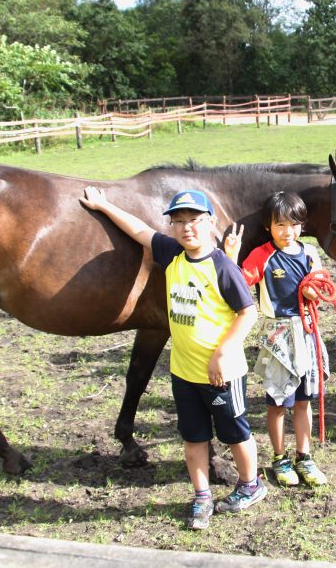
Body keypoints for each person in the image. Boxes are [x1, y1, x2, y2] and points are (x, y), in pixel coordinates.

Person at [80, 187, 263, 530]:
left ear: (210, 223)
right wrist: (105, 206)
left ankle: (250, 484)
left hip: (222, 373)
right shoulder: (171, 252)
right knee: (193, 437)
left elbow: (247, 312)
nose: (186, 228)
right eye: (178, 222)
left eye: (193, 220)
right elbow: (138, 231)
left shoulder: (222, 266)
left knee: (236, 434)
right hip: (183, 372)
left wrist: (223, 352)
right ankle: (201, 495)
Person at [223, 192, 329, 488]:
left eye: (294, 224)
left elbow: (321, 286)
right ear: (268, 226)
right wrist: (231, 257)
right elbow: (240, 284)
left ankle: (304, 456)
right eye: (280, 224)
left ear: (302, 226)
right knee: (278, 402)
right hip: (278, 335)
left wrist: (314, 292)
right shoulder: (262, 254)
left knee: (305, 401)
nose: (287, 231)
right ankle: (280, 457)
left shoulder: (310, 253)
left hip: (307, 333)